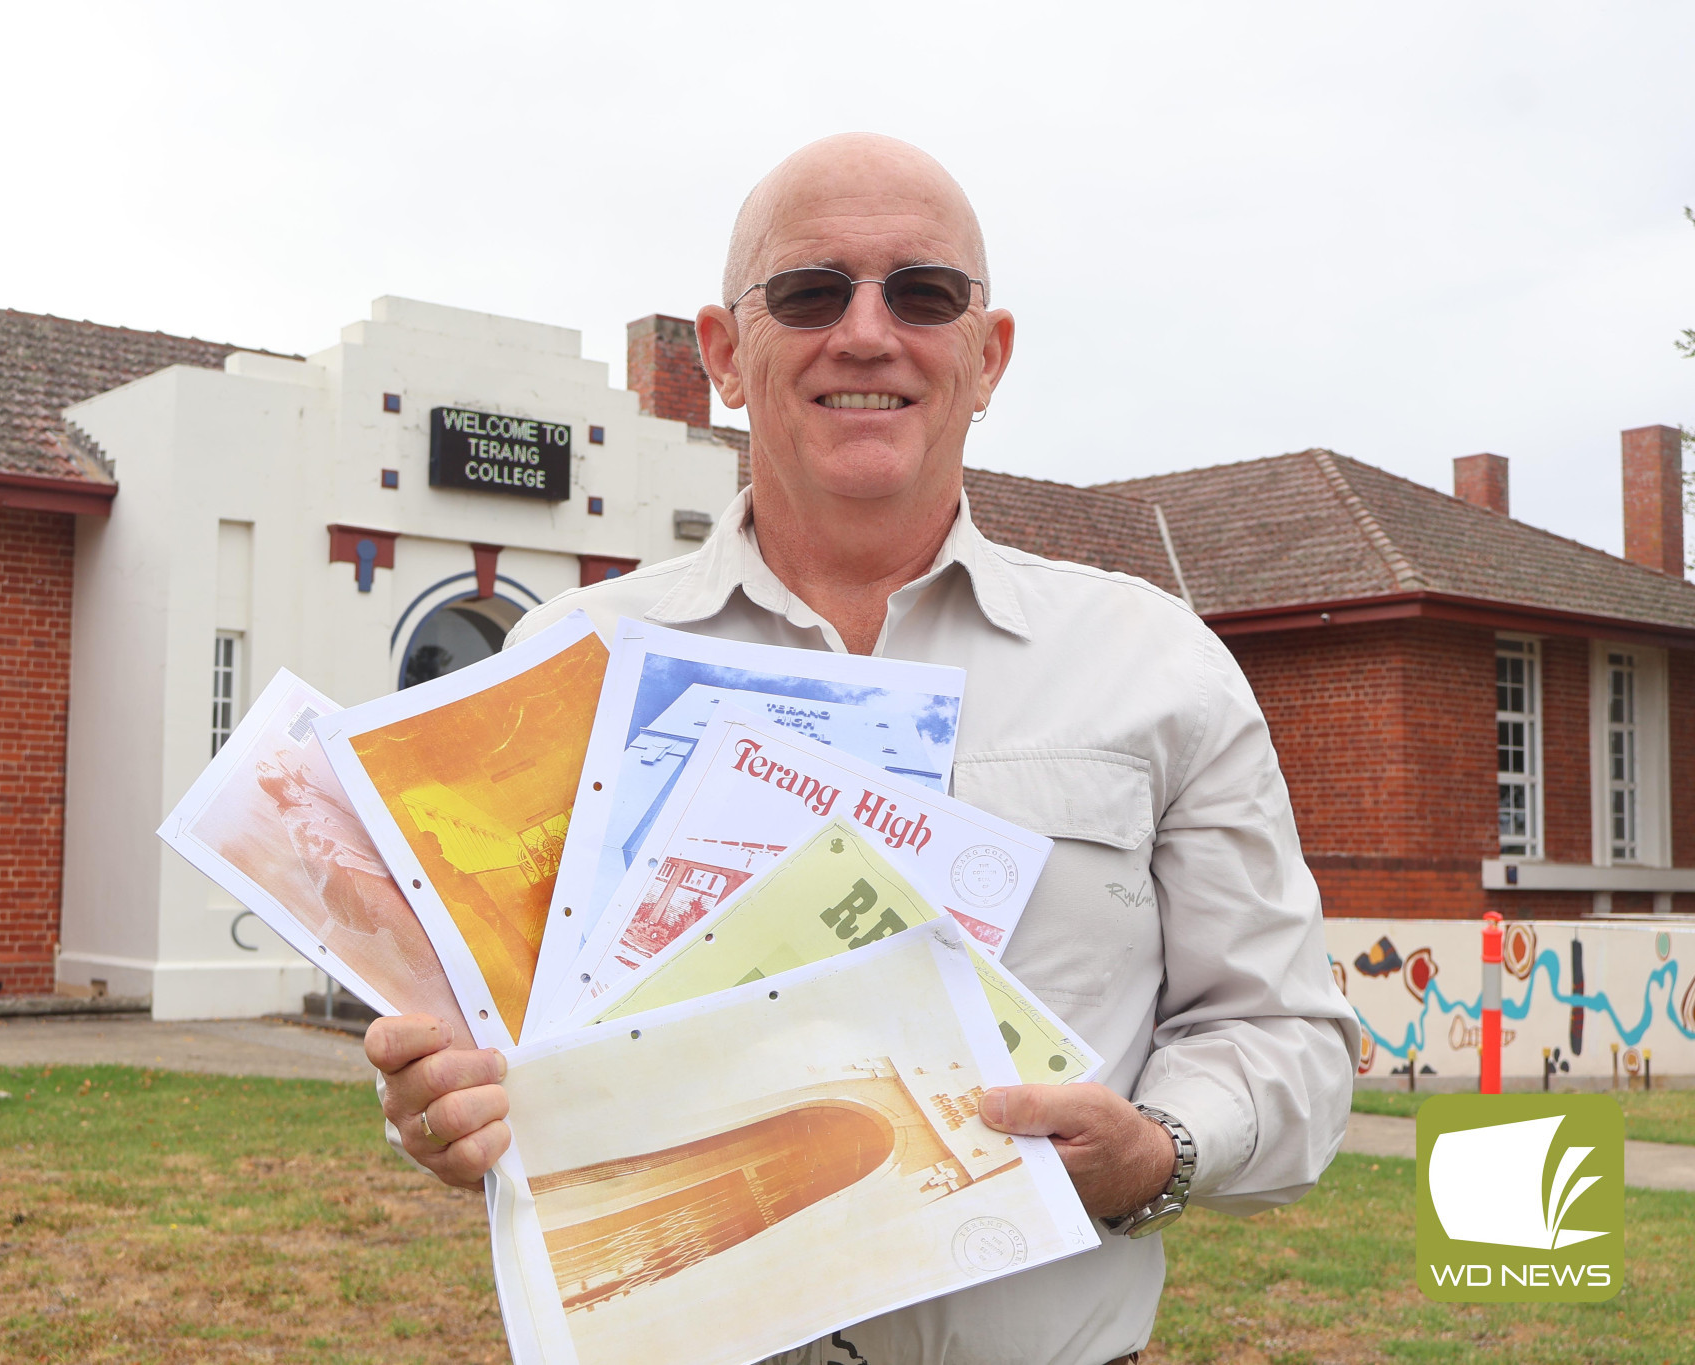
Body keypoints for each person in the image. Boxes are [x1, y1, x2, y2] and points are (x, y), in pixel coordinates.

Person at [365, 132, 1359, 1365]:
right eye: (810, 291)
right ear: (724, 353)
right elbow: (471, 1027)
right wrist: (437, 1103)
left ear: (985, 358)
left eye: (924, 293)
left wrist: (1159, 1151)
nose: (867, 333)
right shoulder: (570, 663)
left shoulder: (1153, 661)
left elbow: (1286, 1039)